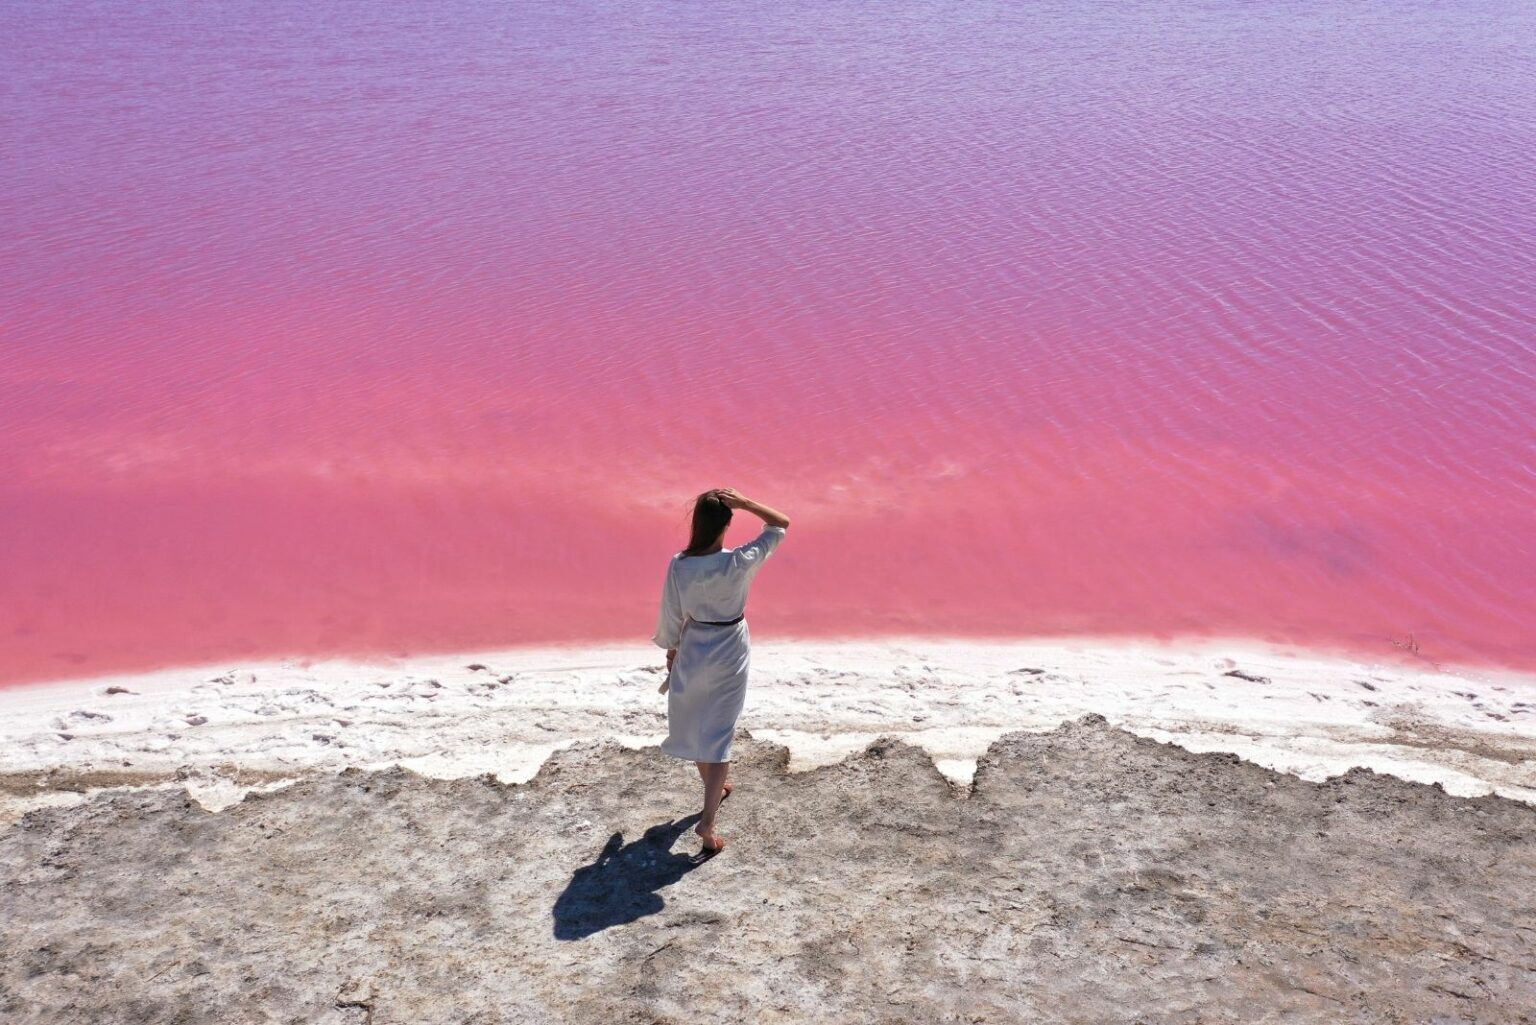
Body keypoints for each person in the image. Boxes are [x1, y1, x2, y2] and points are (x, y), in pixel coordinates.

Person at [652, 487, 790, 854]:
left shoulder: (680, 564)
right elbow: (780, 524)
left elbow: (671, 614)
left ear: (696, 523)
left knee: (696, 720)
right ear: (727, 523)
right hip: (730, 646)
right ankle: (708, 822)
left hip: (694, 644)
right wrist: (746, 503)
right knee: (719, 730)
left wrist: (671, 653)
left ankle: (715, 786)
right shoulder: (739, 561)